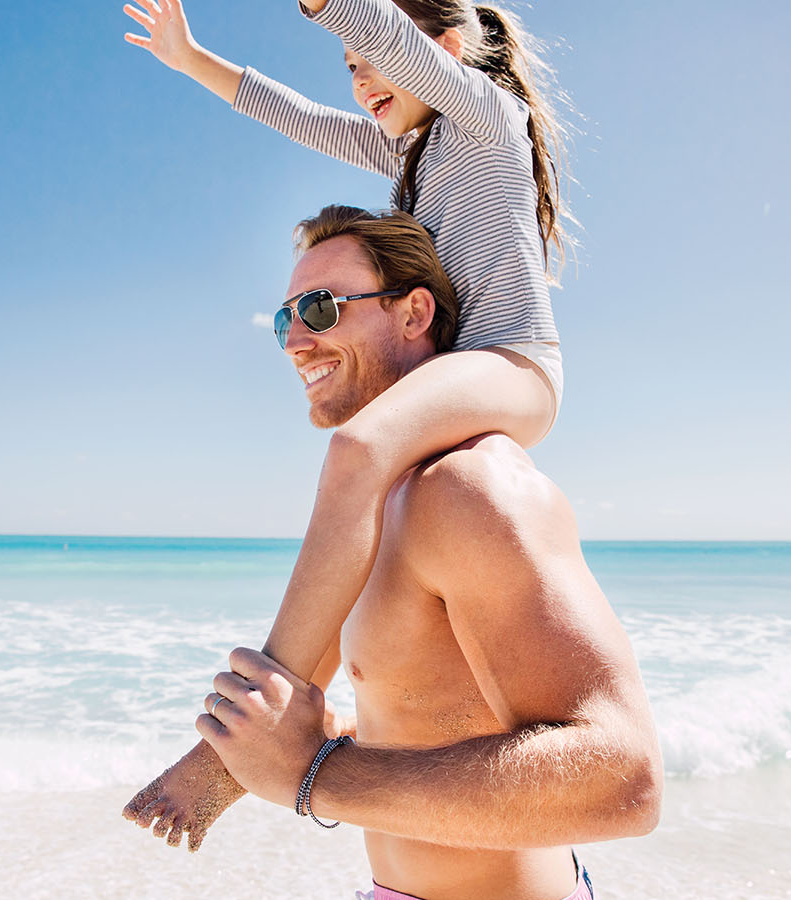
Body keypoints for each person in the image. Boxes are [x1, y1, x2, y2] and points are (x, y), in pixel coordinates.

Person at [122, 0, 573, 849]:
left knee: (360, 446)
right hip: (453, 380)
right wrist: (194, 63)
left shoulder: (486, 115)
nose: (362, 78)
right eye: (351, 66)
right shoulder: (406, 152)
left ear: (443, 51)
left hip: (513, 366)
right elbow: (292, 115)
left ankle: (239, 744)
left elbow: (389, 36)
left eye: (371, 59)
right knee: (370, 544)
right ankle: (276, 720)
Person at [145, 204, 662, 899]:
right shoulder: (375, 507)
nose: (296, 341)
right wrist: (341, 736)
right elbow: (450, 706)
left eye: (321, 309)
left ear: (414, 314)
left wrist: (316, 776)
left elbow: (622, 779)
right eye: (283, 320)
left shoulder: (468, 488)